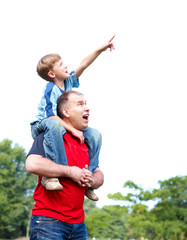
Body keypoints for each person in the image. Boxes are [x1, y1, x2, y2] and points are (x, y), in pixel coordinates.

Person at [30, 36, 114, 200]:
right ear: (52, 73)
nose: (66, 65)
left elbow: (83, 64)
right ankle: (52, 174)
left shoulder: (68, 83)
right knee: (55, 126)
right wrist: (73, 131)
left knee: (95, 134)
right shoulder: (50, 89)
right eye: (61, 65)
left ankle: (88, 179)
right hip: (43, 124)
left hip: (61, 123)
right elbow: (51, 116)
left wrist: (100, 49)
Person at [26, 91, 104, 240]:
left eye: (86, 103)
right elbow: (32, 164)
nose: (87, 108)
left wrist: (92, 180)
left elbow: (99, 173)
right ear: (66, 112)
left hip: (79, 225)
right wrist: (70, 172)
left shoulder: (87, 140)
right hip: (48, 222)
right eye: (80, 104)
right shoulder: (50, 135)